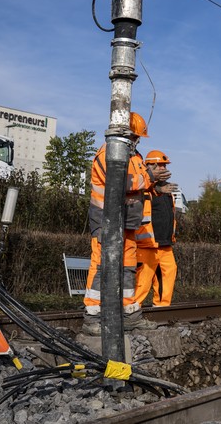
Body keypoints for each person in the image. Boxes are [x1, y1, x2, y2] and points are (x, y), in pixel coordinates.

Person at [82, 112, 157, 335]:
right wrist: (151, 178)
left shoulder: (134, 156)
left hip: (127, 222)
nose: (137, 142)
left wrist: (154, 185)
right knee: (101, 266)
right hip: (107, 220)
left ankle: (129, 314)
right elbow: (122, 181)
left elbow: (140, 183)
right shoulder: (107, 154)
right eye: (136, 137)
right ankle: (92, 318)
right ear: (127, 135)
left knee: (127, 268)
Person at [134, 150, 178, 308]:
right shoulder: (142, 187)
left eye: (165, 166)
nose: (163, 169)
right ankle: (131, 310)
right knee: (143, 281)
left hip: (165, 244)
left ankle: (161, 308)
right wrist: (157, 188)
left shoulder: (167, 191)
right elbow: (141, 190)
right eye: (160, 166)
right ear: (149, 166)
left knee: (168, 273)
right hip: (147, 245)